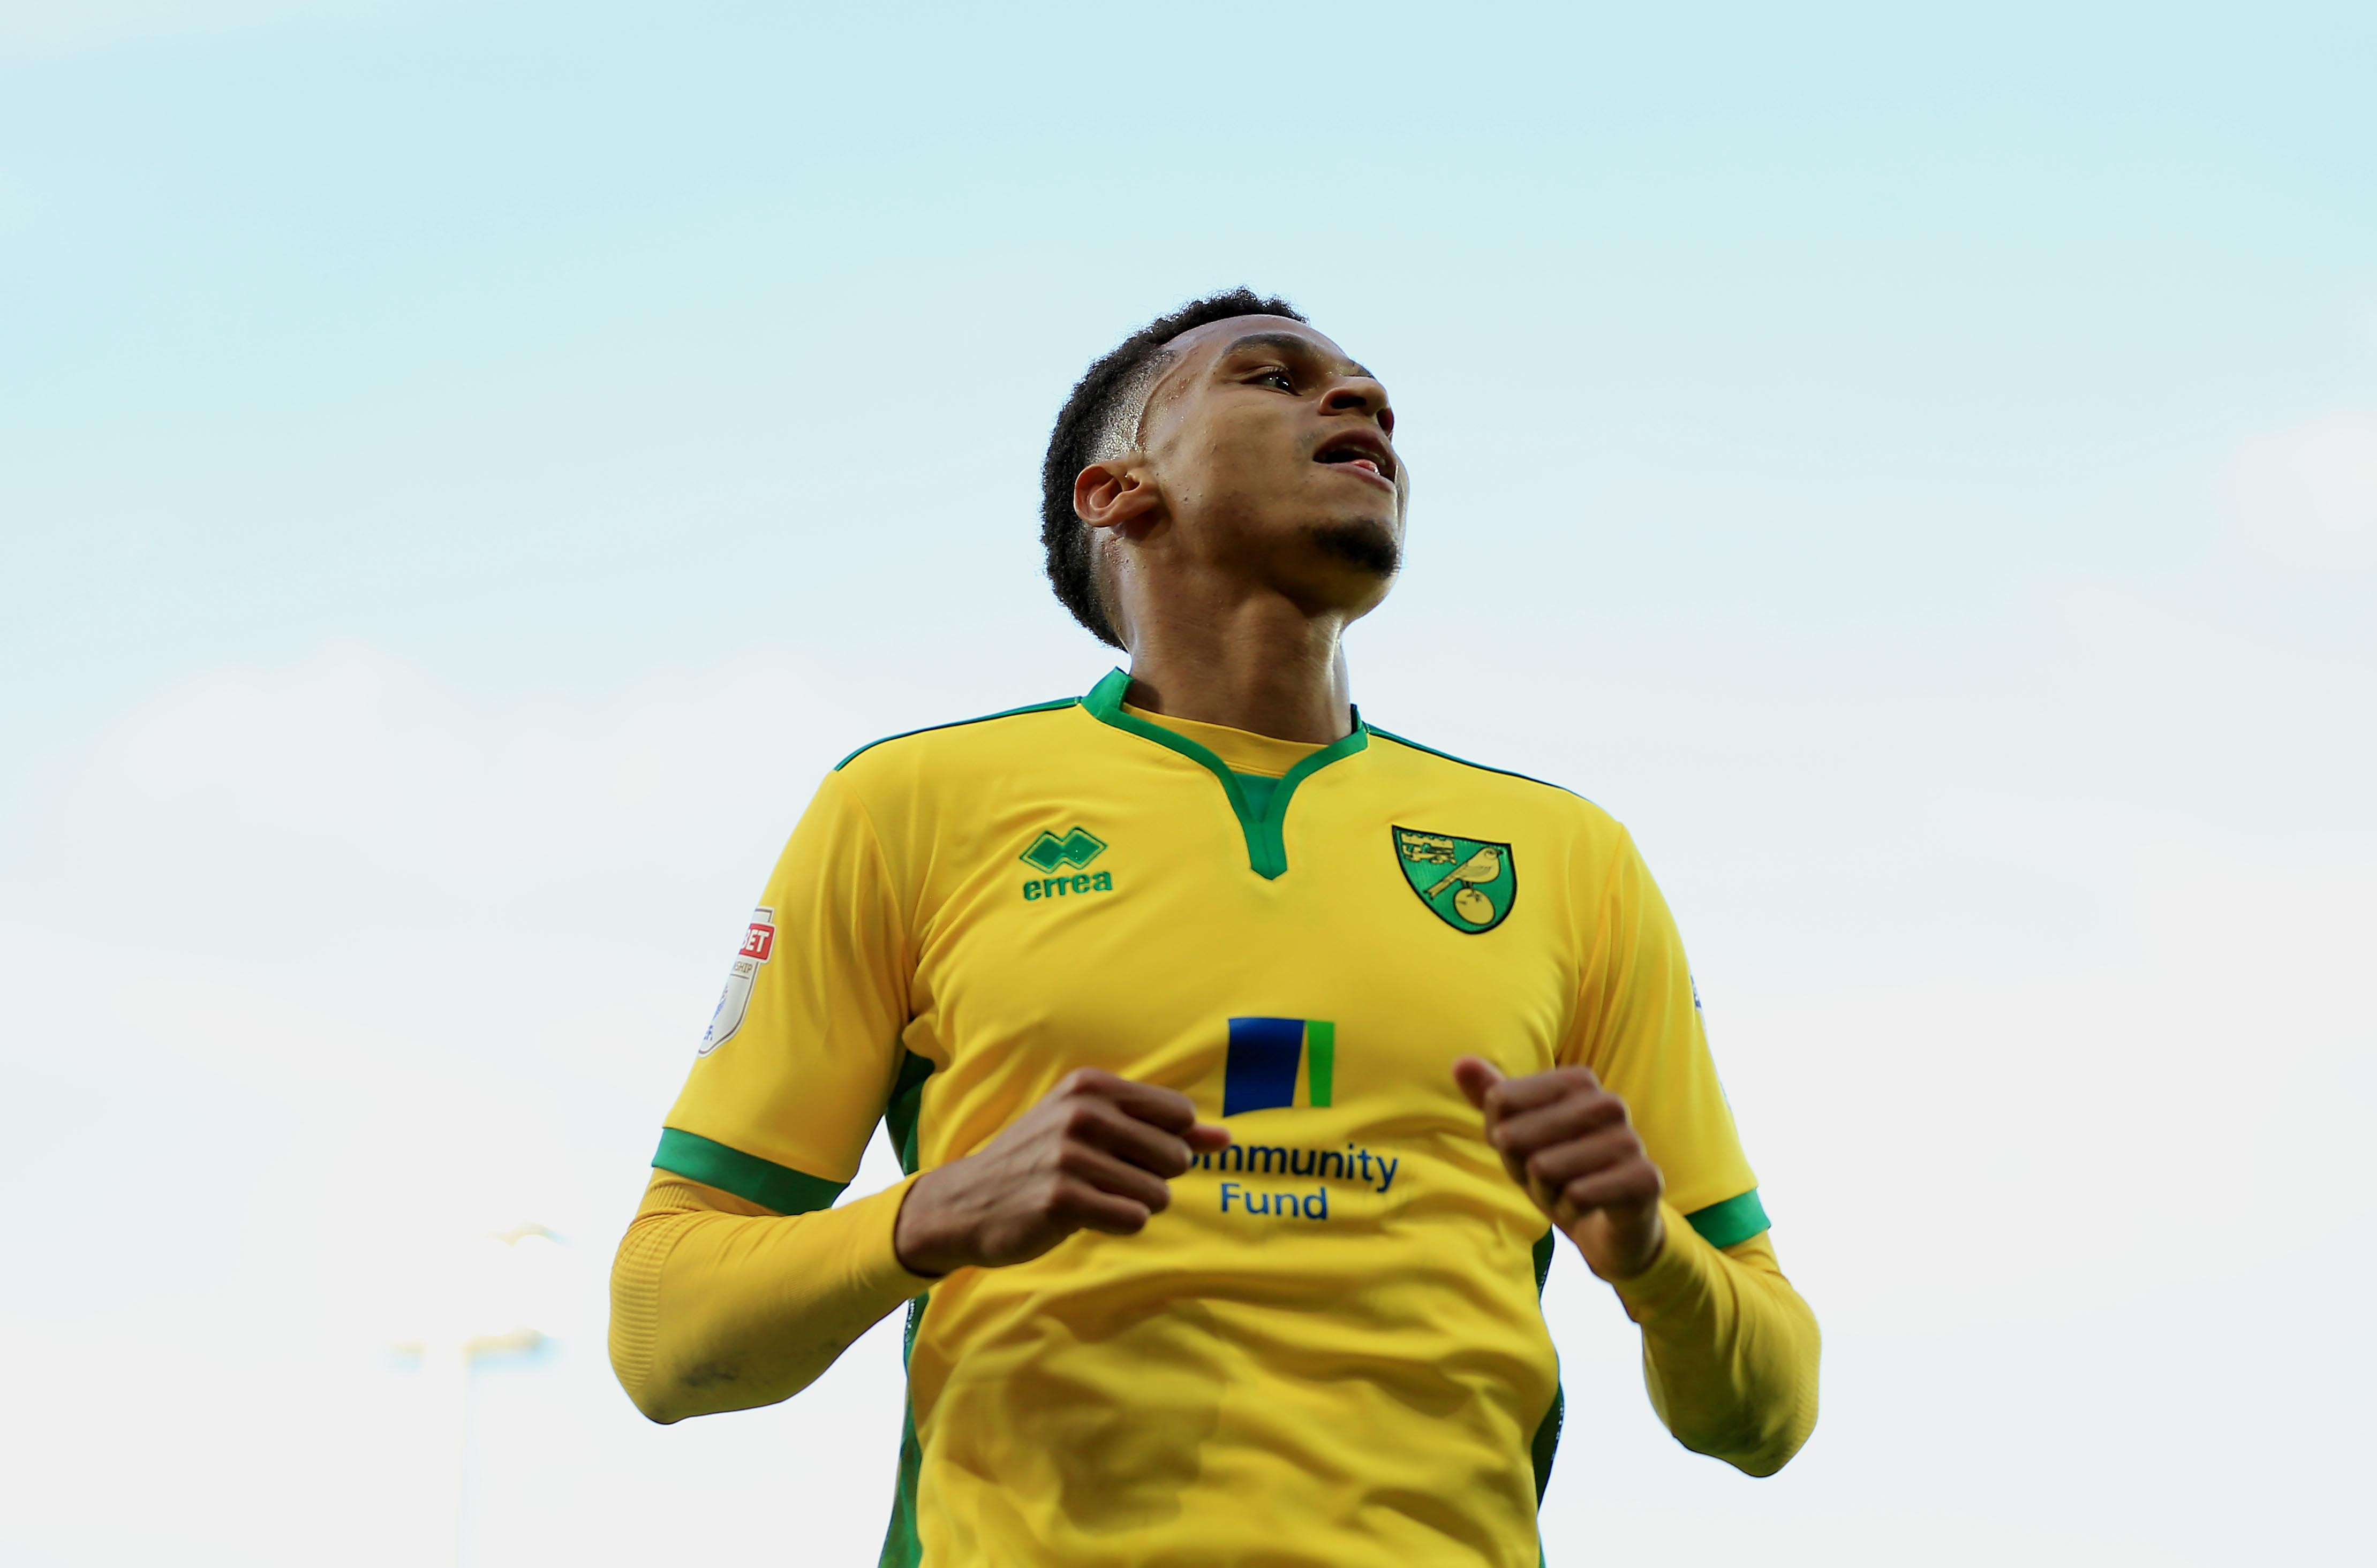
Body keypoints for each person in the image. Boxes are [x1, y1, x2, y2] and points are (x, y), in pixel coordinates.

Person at [609, 289, 1820, 1566]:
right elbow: (664, 1334)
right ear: (1117, 491)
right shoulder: (909, 808)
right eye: (1276, 379)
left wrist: (1654, 1253)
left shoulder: (1570, 856)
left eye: (1365, 388)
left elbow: (1766, 1412)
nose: (1361, 400)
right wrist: (930, 1214)